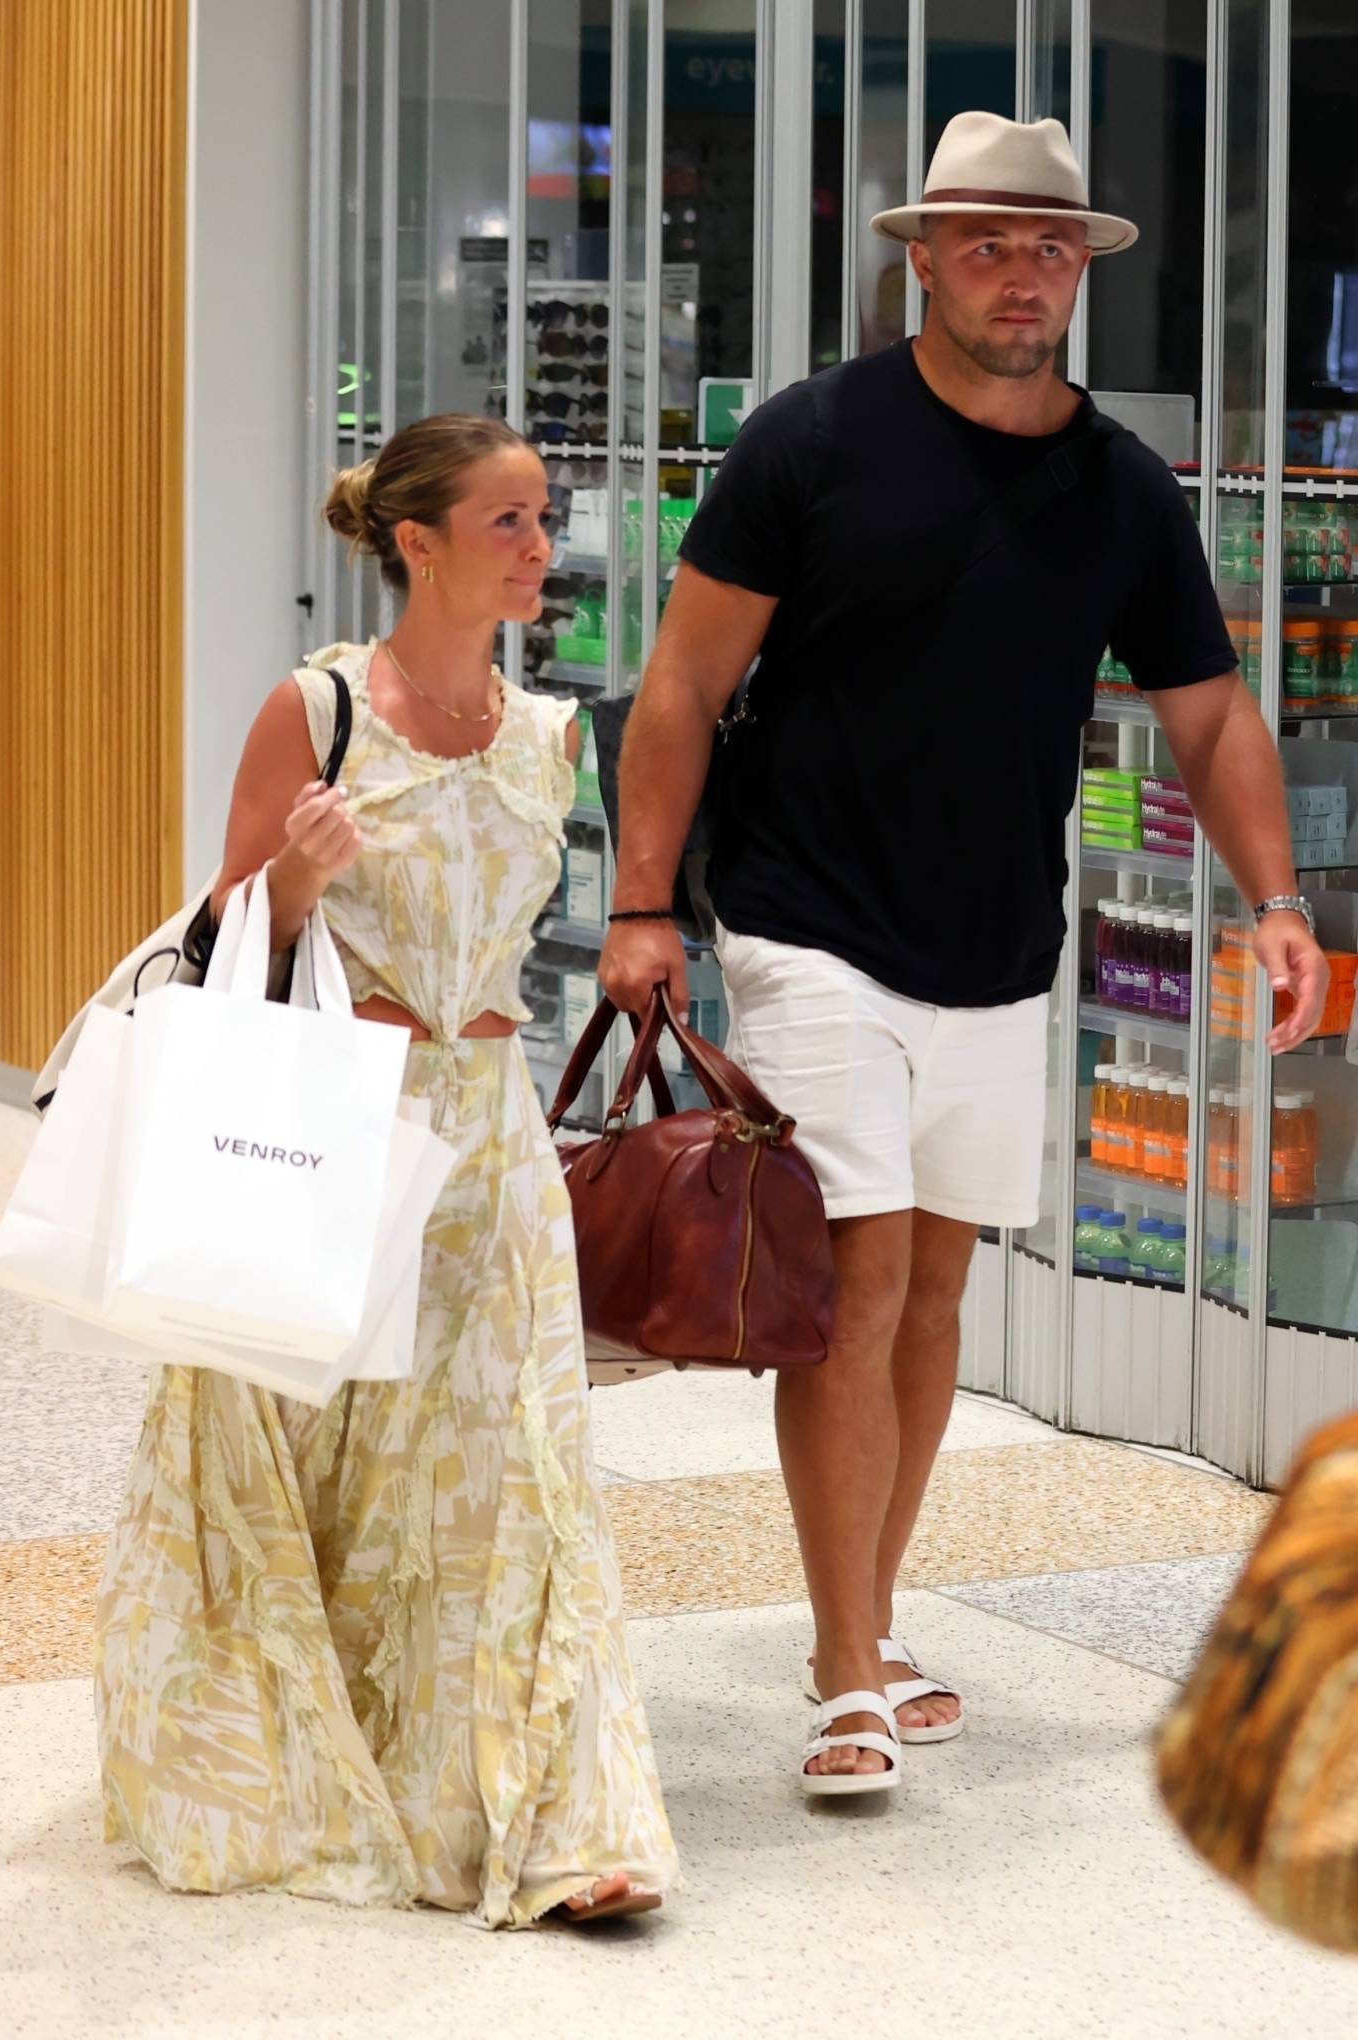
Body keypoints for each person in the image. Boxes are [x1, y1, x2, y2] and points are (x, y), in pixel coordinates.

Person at [599, 112, 1329, 1797]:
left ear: (1083, 271)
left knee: (935, 1294)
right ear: (922, 257)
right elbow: (682, 684)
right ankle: (847, 1669)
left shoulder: (1120, 486)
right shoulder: (810, 441)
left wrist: (1278, 902)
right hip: (805, 920)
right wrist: (642, 905)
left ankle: (865, 1612)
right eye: (988, 243)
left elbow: (1210, 712)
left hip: (1000, 940)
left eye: (1051, 246)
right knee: (859, 1286)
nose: (1023, 273)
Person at [95, 413, 678, 1923]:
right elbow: (230, 933)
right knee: (329, 1457)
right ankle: (323, 1764)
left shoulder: (554, 735)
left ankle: (552, 1823)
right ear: (417, 543)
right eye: (509, 521)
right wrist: (295, 878)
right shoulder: (321, 709)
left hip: (492, 1135)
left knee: (515, 1477)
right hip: (332, 1125)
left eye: (544, 516)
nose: (542, 546)